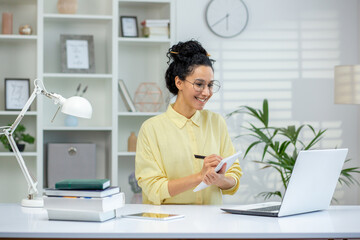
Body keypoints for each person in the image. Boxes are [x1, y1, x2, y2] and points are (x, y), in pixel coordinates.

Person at [135, 40, 242, 205]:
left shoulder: (216, 122)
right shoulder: (151, 129)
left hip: (210, 224)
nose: (206, 92)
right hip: (167, 224)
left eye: (210, 85)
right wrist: (200, 177)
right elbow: (153, 188)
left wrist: (219, 180)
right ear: (179, 83)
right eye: (199, 84)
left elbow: (234, 176)